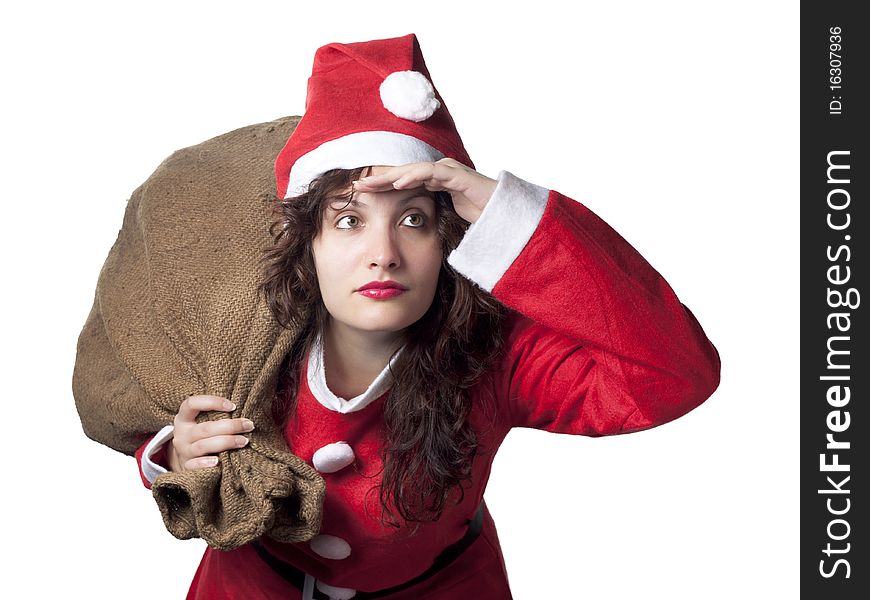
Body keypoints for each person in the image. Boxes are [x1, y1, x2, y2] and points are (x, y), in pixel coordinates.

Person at [133, 33, 720, 599]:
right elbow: (159, 433)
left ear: (448, 239)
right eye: (348, 220)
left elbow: (675, 374)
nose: (383, 253)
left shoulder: (496, 357)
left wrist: (505, 214)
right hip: (251, 589)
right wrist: (178, 458)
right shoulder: (239, 333)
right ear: (306, 245)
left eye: (413, 220)